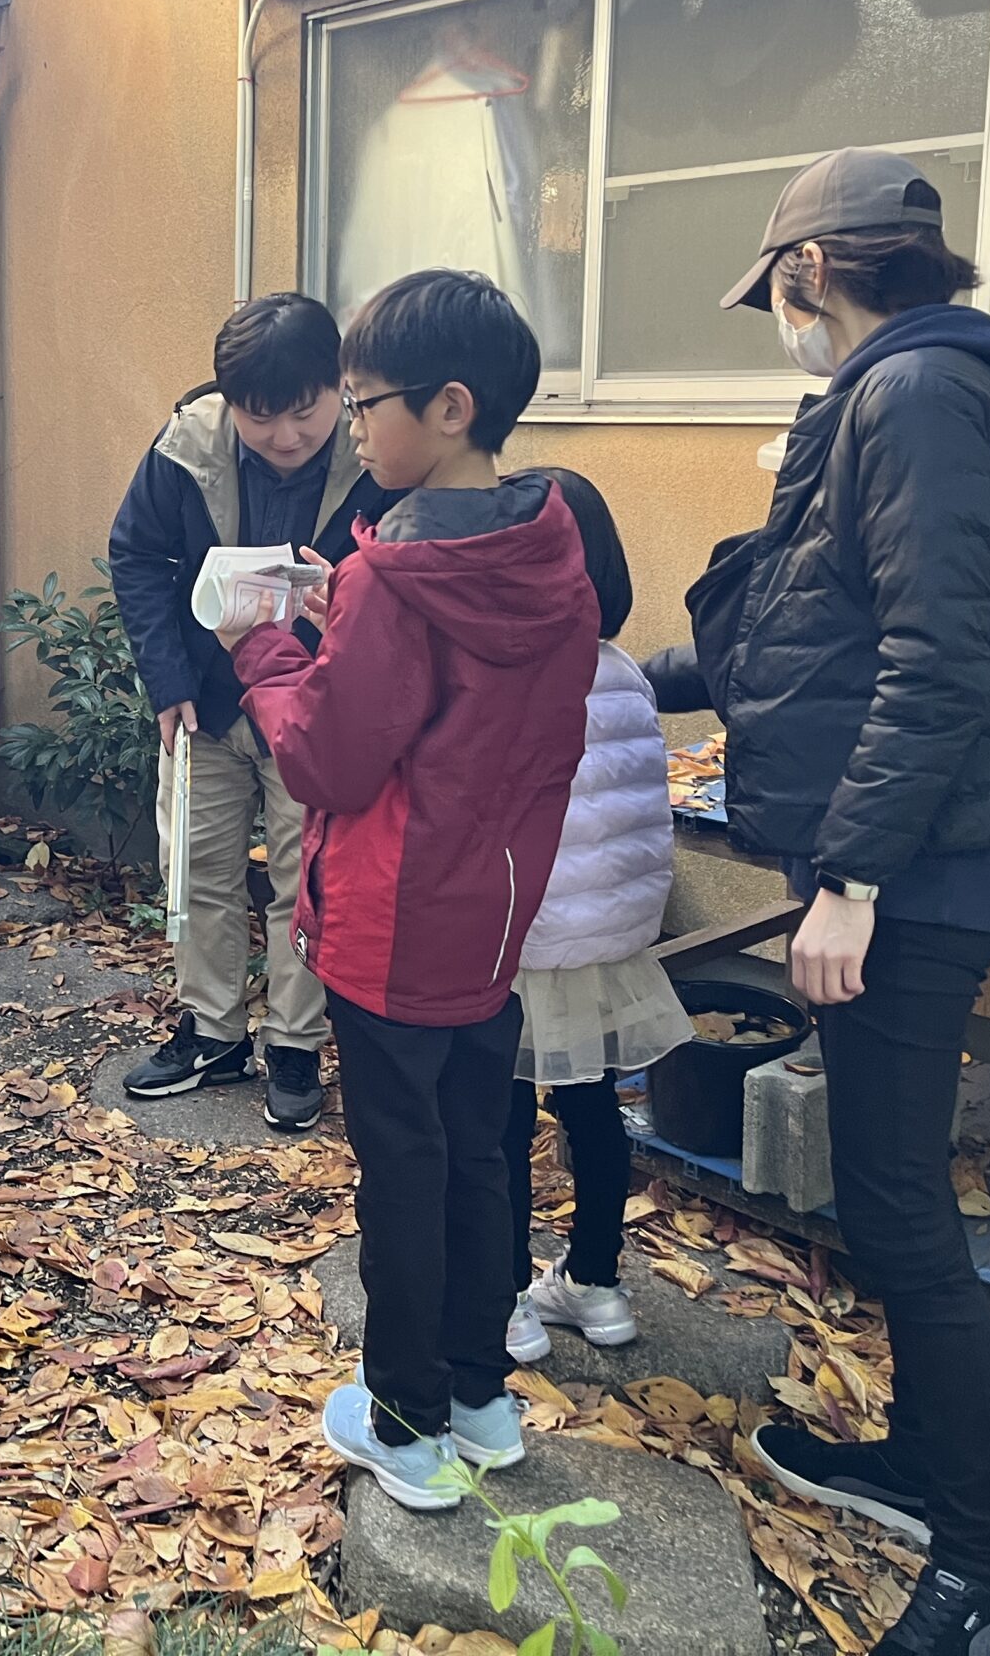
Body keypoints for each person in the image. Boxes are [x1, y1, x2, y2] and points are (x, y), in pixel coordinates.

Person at [655, 149, 990, 1656]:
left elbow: (934, 662)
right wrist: (623, 681)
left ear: (812, 271)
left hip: (924, 865)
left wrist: (851, 879)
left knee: (898, 1201)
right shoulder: (899, 395)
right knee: (884, 1190)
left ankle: (979, 1573)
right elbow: (806, 624)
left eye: (775, 291)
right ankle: (916, 1466)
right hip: (913, 851)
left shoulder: (913, 397)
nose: (779, 316)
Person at [222, 269, 598, 1508]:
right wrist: (345, 618)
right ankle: (481, 1398)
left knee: (403, 1175)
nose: (351, 426)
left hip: (390, 921)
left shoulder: (395, 576)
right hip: (492, 914)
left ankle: (406, 1423)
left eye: (361, 402)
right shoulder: (549, 546)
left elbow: (327, 760)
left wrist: (265, 648)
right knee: (480, 1157)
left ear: (448, 407)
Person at [107, 293, 399, 1131]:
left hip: (319, 705)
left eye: (304, 412)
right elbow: (137, 554)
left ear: (337, 389)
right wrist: (167, 681)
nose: (285, 436)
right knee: (199, 869)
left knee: (306, 880)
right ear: (228, 401)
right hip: (206, 698)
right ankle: (213, 1032)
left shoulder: (377, 452)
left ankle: (296, 1043)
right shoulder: (187, 444)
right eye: (259, 416)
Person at [497, 469, 690, 1366]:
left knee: (498, 1121)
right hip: (607, 944)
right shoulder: (624, 673)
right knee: (594, 1110)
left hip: (521, 942)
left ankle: (505, 1299)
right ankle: (598, 1283)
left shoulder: (508, 679)